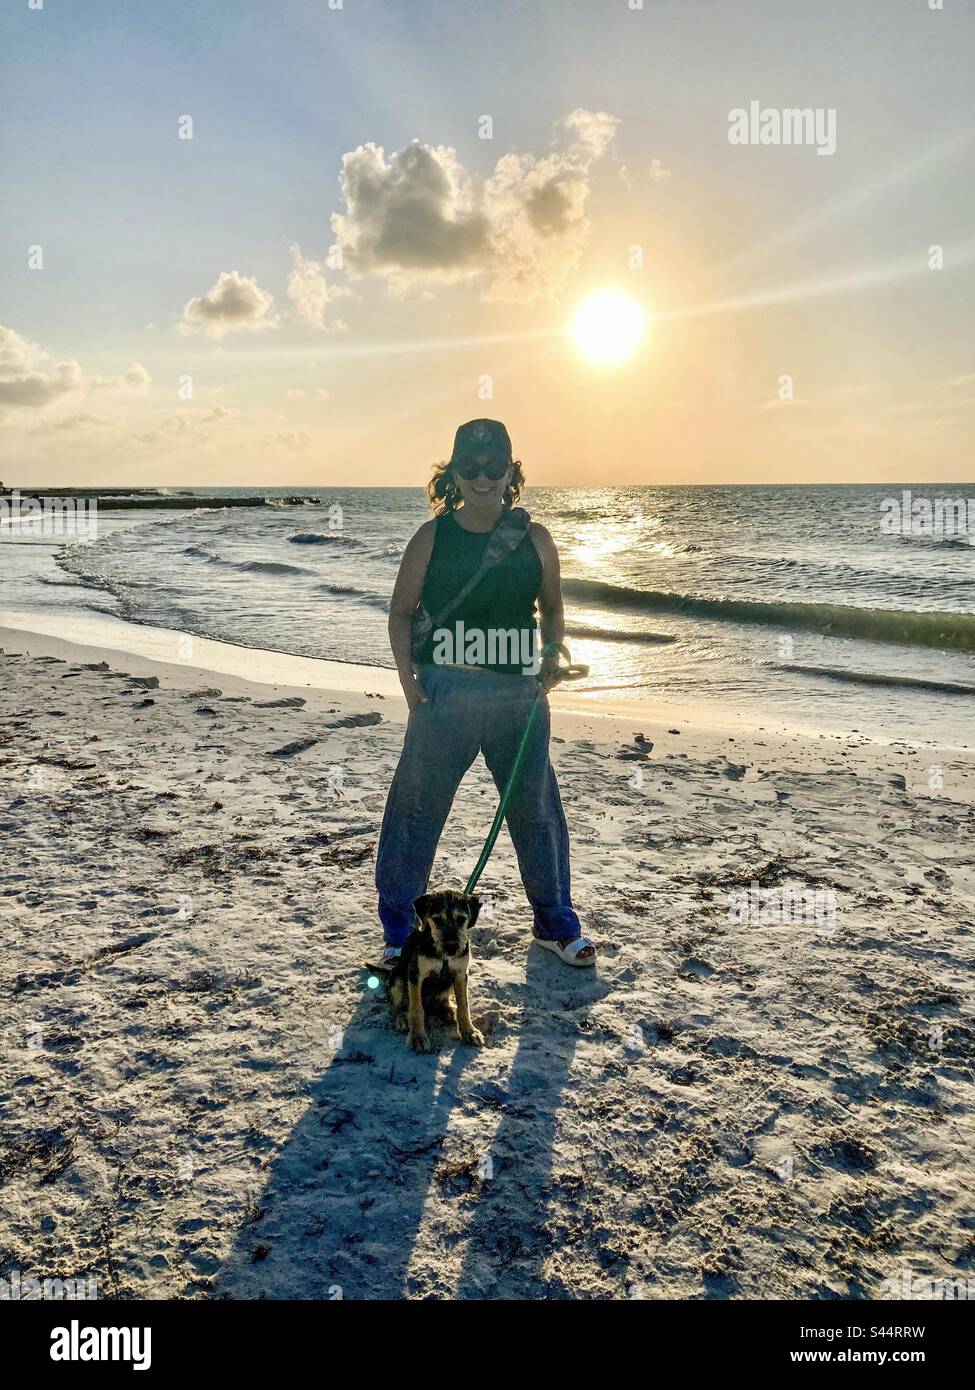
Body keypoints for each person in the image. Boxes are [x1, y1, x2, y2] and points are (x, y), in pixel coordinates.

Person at [375, 419, 595, 969]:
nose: (481, 478)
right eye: (469, 468)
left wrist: (552, 654)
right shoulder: (431, 537)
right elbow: (400, 614)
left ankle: (555, 924)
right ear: (452, 472)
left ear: (510, 472)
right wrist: (406, 677)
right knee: (416, 810)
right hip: (445, 694)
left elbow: (553, 607)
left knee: (535, 811)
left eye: (493, 467)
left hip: (518, 698)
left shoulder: (535, 537)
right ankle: (400, 933)